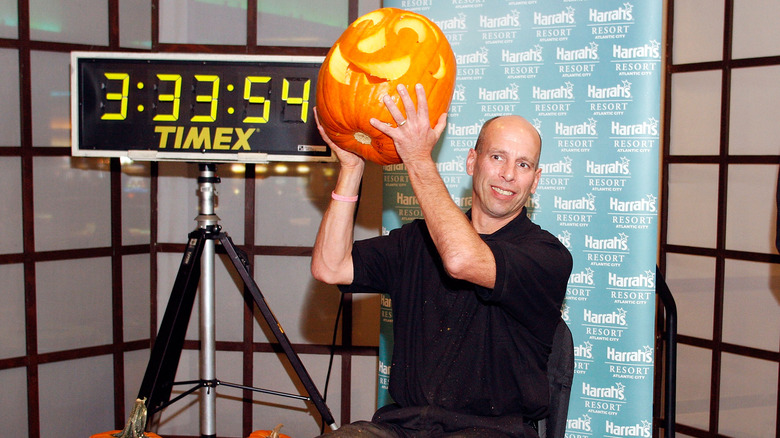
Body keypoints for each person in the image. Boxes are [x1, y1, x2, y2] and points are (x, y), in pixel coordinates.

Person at [311, 83, 573, 437]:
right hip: (403, 427)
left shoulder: (547, 256)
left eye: (523, 164)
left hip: (493, 432)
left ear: (535, 180)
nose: (509, 174)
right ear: (471, 161)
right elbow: (331, 266)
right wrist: (352, 169)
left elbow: (462, 260)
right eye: (497, 157)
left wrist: (417, 158)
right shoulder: (417, 241)